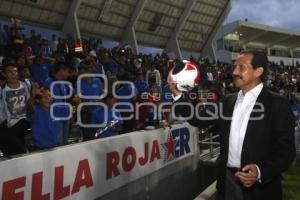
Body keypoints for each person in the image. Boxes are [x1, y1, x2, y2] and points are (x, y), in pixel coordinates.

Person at [168, 50, 295, 200]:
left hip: (261, 190)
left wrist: (261, 171)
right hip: (227, 182)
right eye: (234, 66)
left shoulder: (278, 104)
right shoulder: (227, 101)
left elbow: (286, 151)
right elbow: (198, 119)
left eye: (241, 67)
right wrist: (177, 94)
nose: (234, 71)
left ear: (258, 71)